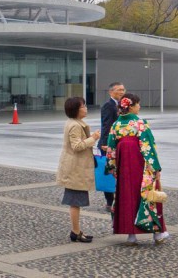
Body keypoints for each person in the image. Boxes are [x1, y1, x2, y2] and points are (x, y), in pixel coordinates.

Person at [106, 92, 169, 245]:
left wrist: (113, 168)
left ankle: (131, 236)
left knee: (127, 196)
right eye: (138, 104)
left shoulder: (116, 125)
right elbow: (148, 146)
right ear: (132, 106)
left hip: (124, 167)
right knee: (148, 195)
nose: (139, 107)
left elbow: (111, 149)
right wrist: (155, 167)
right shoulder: (140, 123)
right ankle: (157, 235)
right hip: (140, 166)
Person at [57, 96, 101, 243]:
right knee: (75, 202)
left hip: (75, 168)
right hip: (75, 170)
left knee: (76, 201)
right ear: (76, 109)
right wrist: (93, 138)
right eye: (83, 106)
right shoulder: (75, 125)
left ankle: (76, 230)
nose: (86, 108)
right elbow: (77, 146)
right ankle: (75, 232)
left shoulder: (75, 123)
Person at [99, 81, 125, 215]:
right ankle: (109, 202)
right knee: (109, 172)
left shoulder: (121, 105)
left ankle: (116, 199)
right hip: (108, 145)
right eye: (119, 90)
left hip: (118, 144)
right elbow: (106, 126)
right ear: (111, 92)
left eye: (123, 89)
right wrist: (106, 144)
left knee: (116, 172)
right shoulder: (108, 106)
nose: (122, 92)